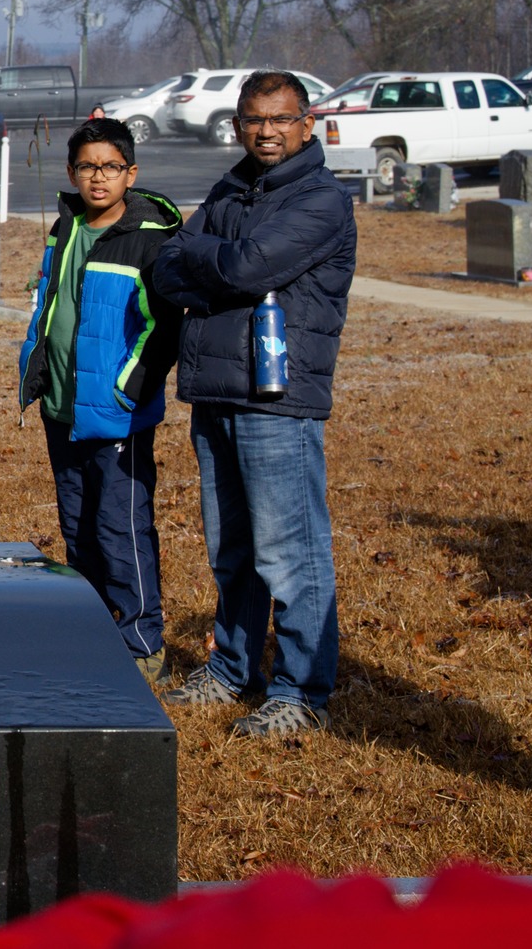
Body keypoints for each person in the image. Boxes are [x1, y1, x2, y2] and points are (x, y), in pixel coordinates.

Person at [153, 70, 355, 738]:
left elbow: (245, 266)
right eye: (253, 119)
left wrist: (206, 259)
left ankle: (303, 690)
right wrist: (214, 258)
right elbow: (167, 260)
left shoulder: (321, 201)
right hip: (214, 386)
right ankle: (234, 667)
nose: (265, 130)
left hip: (276, 397)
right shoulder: (231, 186)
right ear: (238, 123)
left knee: (289, 550)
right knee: (232, 547)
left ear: (306, 122)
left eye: (279, 118)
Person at [17, 117, 183, 685]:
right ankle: (90, 629)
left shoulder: (150, 239)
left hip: (116, 412)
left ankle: (142, 641)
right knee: (77, 524)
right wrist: (36, 365)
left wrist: (126, 388)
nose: (98, 177)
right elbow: (49, 303)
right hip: (62, 405)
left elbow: (161, 330)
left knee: (121, 524)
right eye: (87, 166)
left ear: (130, 173)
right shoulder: (64, 229)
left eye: (110, 167)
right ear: (71, 172)